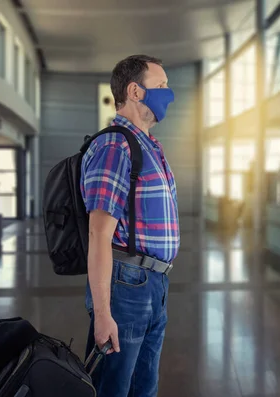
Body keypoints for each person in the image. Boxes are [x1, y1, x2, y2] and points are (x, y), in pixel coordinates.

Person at [81, 54, 180, 396]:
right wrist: (104, 313)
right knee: (115, 388)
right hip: (128, 287)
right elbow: (99, 234)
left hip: (154, 283)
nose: (169, 94)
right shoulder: (115, 145)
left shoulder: (148, 146)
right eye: (162, 85)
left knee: (143, 388)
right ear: (136, 91)